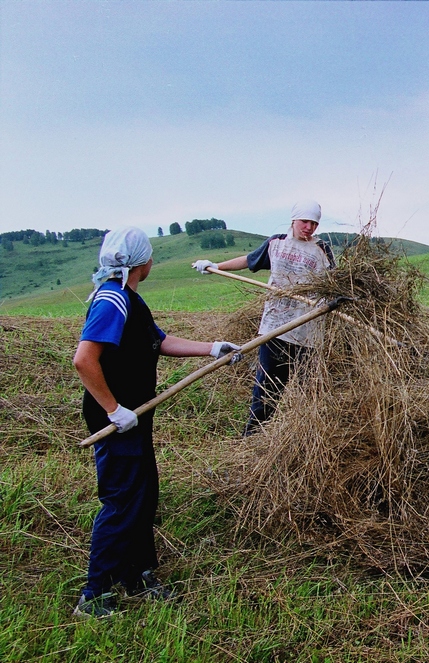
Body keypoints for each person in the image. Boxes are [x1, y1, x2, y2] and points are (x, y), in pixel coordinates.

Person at [73, 227, 241, 618]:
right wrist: (114, 410)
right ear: (141, 262)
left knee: (143, 496)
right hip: (117, 422)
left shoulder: (130, 298)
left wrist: (212, 349)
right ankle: (94, 593)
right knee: (120, 501)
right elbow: (84, 360)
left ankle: (135, 573)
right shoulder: (112, 301)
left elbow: (159, 342)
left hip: (136, 416)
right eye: (150, 256)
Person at [192, 200, 336, 435]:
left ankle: (304, 437)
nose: (309, 227)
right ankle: (253, 437)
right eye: (305, 222)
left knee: (309, 390)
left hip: (308, 331)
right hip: (275, 327)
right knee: (267, 387)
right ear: (293, 220)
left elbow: (335, 282)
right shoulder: (276, 243)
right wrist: (216, 265)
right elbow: (249, 260)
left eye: (314, 223)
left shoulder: (322, 250)